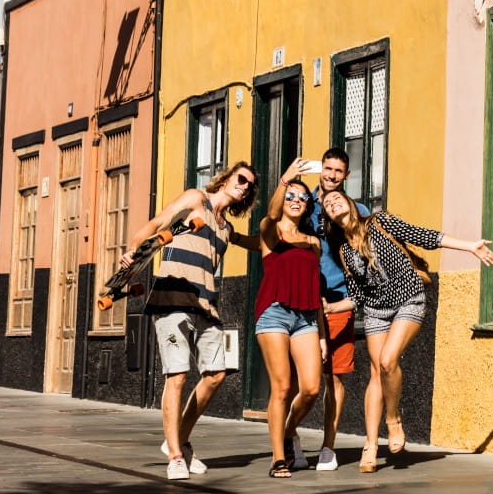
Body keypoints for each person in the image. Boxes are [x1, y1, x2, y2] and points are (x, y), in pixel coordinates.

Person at [319, 188, 493, 472]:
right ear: (328, 217)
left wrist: (469, 246)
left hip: (408, 298)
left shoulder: (380, 223)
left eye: (337, 197)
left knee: (388, 361)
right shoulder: (344, 251)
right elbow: (356, 296)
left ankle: (393, 419)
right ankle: (371, 445)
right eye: (327, 203)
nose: (332, 201)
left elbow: (424, 236)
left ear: (351, 203)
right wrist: (332, 308)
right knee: (376, 373)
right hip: (376, 309)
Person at [118, 161, 259, 480]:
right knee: (177, 376)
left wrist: (285, 232)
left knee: (216, 374)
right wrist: (132, 253)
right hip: (172, 297)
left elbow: (256, 243)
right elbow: (157, 223)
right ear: (226, 178)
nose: (245, 186)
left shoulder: (225, 228)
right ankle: (177, 456)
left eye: (250, 185)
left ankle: (176, 440)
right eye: (241, 179)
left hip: (205, 305)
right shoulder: (196, 198)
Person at [292, 149, 367, 471]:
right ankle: (289, 437)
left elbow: (366, 252)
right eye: (328, 168)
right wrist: (287, 180)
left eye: (339, 171)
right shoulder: (304, 203)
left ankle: (327, 446)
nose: (332, 175)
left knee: (334, 378)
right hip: (302, 302)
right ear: (320, 169)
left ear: (346, 175)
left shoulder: (356, 210)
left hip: (337, 302)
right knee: (299, 382)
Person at [250, 178, 325, 478]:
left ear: (308, 205)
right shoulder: (270, 232)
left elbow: (316, 289)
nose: (296, 200)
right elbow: (269, 216)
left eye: (302, 197)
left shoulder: (314, 242)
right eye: (290, 196)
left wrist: (321, 335)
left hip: (306, 317)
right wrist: (284, 181)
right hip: (274, 314)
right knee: (281, 387)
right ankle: (278, 458)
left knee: (310, 388)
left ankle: (288, 430)